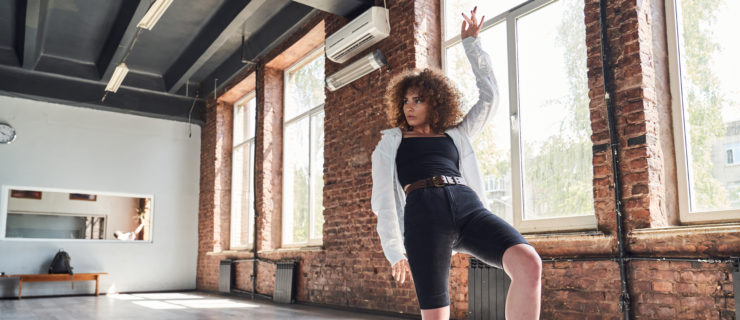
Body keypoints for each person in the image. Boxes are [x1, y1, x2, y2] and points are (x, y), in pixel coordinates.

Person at [370, 7, 542, 320]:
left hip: (468, 208)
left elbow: (489, 97)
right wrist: (394, 250)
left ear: (435, 101)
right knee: (437, 316)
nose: (410, 106)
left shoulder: (457, 134)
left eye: (418, 100)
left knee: (528, 262)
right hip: (424, 217)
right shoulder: (390, 143)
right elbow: (382, 199)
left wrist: (472, 45)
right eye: (406, 100)